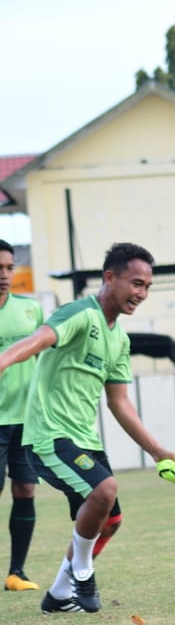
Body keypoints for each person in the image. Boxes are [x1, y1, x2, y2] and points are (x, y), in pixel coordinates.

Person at [0, 243, 175, 614]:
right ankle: (82, 572)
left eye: (147, 287)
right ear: (109, 277)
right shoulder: (79, 314)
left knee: (110, 520)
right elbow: (36, 342)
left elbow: (120, 403)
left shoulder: (119, 339)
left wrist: (158, 451)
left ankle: (57, 594)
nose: (141, 294)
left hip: (84, 440)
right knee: (105, 490)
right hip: (49, 438)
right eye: (135, 283)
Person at [0, 239, 43, 591]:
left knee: (26, 488)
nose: (4, 275)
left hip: (26, 421)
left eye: (9, 268)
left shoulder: (31, 311)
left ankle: (17, 573)